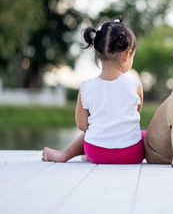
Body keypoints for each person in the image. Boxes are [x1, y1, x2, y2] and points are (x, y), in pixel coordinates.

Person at [42, 17, 145, 164]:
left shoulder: (86, 87)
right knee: (144, 135)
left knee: (91, 133)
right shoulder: (135, 84)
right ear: (126, 55)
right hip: (131, 154)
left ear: (97, 52)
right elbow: (135, 113)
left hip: (96, 152)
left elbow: (82, 125)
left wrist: (102, 129)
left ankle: (65, 154)